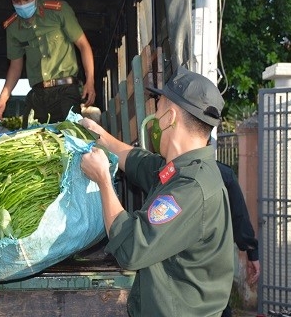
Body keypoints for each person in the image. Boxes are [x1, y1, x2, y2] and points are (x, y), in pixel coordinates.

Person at [79, 66, 234, 316]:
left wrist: (103, 181)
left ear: (169, 117)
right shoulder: (180, 169)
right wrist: (99, 135)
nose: (154, 116)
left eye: (158, 108)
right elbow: (135, 160)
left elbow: (130, 248)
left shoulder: (191, 189)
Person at [0, 0, 95, 126]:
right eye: (17, 1)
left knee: (70, 136)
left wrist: (90, 80)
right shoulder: (12, 28)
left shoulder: (59, 11)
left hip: (66, 90)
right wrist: (3, 97)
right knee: (28, 137)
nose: (22, 5)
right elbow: (15, 65)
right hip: (38, 94)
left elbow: (83, 45)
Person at [217, 161, 261, 317]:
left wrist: (252, 251)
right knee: (218, 305)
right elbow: (239, 215)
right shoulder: (222, 172)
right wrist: (252, 252)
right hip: (215, 260)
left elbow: (239, 215)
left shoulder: (166, 170)